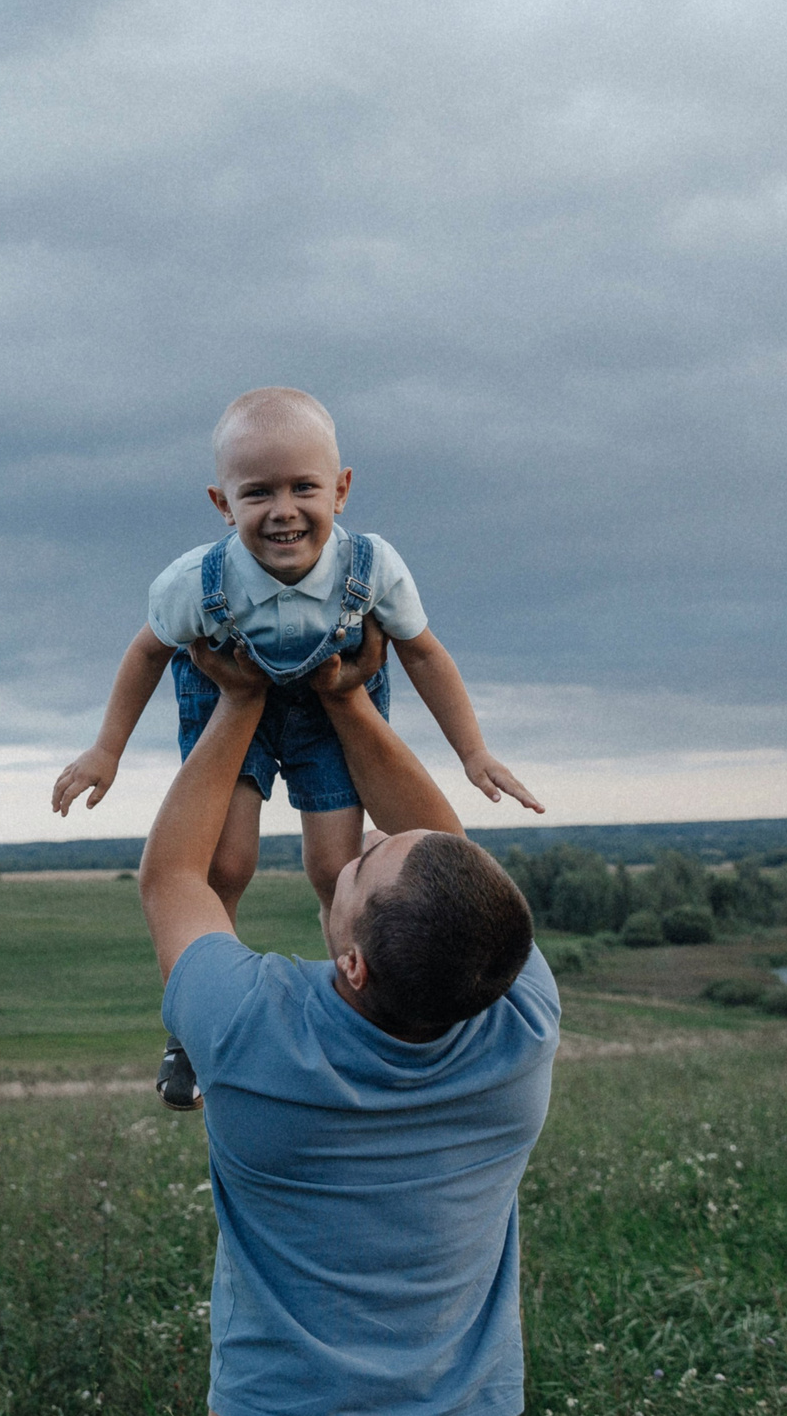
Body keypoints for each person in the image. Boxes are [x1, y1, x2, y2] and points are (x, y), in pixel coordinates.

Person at [139, 622, 557, 1416]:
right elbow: (455, 860)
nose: (352, 854)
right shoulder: (519, 1018)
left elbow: (174, 877)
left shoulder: (252, 1029)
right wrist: (347, 698)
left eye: (358, 871)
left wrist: (238, 703)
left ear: (353, 963)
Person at [50, 387, 540, 1107]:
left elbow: (425, 654)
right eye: (258, 492)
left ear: (340, 490)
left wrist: (472, 749)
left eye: (303, 487)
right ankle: (191, 1025)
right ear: (223, 503)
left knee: (336, 866)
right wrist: (105, 750)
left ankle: (360, 997)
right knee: (226, 860)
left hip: (329, 705)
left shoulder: (372, 569)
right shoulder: (197, 581)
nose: (283, 509)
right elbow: (147, 653)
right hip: (224, 698)